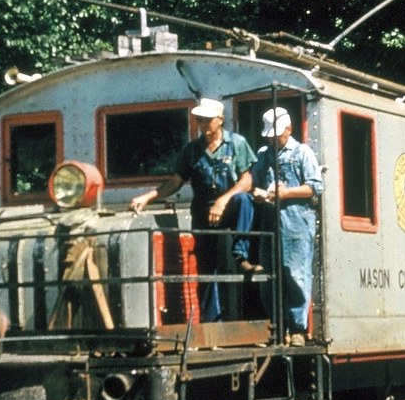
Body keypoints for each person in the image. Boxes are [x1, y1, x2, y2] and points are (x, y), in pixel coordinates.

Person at [129, 97, 258, 321]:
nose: (203, 124)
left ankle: (240, 254)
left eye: (207, 120)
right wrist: (148, 196)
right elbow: (176, 181)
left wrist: (223, 200)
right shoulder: (192, 150)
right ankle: (210, 323)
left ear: (220, 120)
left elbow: (246, 181)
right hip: (202, 211)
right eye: (200, 120)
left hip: (229, 206)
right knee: (207, 269)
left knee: (244, 200)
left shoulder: (237, 143)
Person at [252, 107, 323, 346]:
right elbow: (253, 183)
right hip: (270, 222)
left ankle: (297, 329)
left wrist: (287, 192)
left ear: (289, 129)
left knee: (296, 275)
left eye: (278, 134)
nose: (273, 139)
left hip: (296, 222)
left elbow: (315, 187)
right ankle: (276, 326)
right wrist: (259, 193)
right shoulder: (263, 155)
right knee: (270, 273)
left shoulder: (302, 153)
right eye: (270, 135)